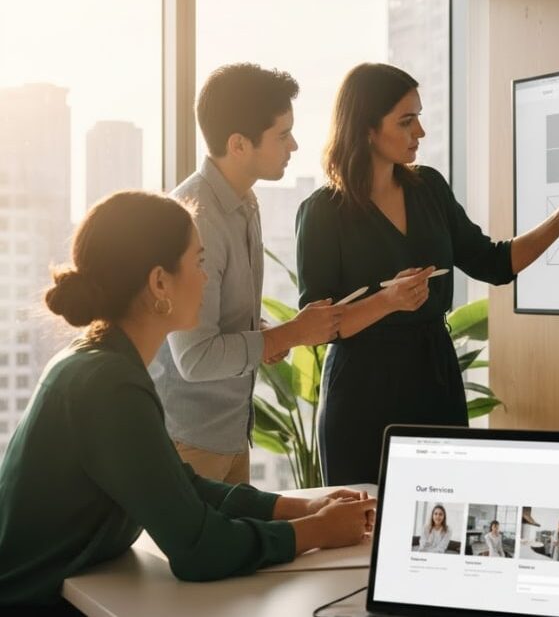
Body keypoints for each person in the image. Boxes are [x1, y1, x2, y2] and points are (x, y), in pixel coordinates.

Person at [0, 191, 375, 613]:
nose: (206, 278)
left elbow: (182, 486)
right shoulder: (109, 385)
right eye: (198, 262)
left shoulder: (100, 364)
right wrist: (318, 532)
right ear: (160, 282)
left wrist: (304, 508)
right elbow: (199, 550)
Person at [296, 63, 559, 484]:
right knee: (362, 528)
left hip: (435, 379)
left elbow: (495, 264)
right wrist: (386, 302)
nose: (420, 132)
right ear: (366, 129)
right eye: (406, 121)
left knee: (443, 512)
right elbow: (316, 328)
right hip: (362, 391)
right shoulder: (322, 212)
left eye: (419, 117)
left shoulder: (428, 188)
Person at [153, 63, 344, 484]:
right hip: (190, 441)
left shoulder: (245, 201)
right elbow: (195, 358)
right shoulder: (194, 219)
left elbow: (216, 317)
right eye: (282, 135)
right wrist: (292, 334)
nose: (293, 144)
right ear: (238, 144)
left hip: (230, 431)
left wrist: (259, 333)